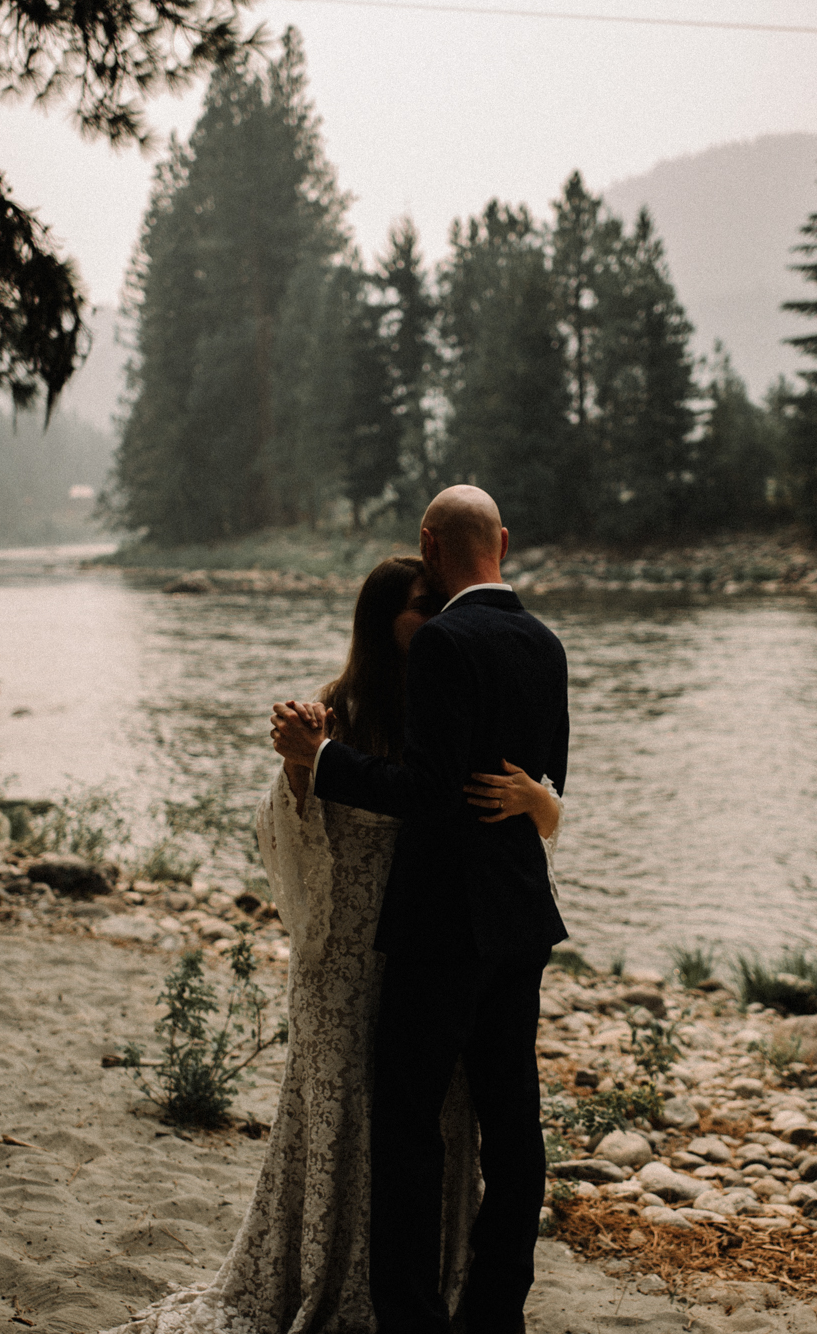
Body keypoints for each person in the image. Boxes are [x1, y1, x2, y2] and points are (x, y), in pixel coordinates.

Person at [113, 554, 561, 1334]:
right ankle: (343, 1281)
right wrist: (301, 769)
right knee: (351, 1116)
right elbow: (281, 825)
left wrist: (541, 801)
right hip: (351, 948)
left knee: (439, 1125)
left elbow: (503, 803)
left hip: (437, 943)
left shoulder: (452, 681)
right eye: (425, 606)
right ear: (383, 621)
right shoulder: (335, 708)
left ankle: (439, 1291)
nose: (442, 614)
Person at [272, 486, 570, 1334]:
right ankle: (493, 1313)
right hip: (521, 921)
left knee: (407, 1128)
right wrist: (532, 800)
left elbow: (430, 793)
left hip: (443, 925)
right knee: (514, 1131)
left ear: (429, 544)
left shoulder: (442, 641)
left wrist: (322, 758)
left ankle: (410, 1318)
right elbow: (549, 782)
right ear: (504, 542)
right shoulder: (546, 645)